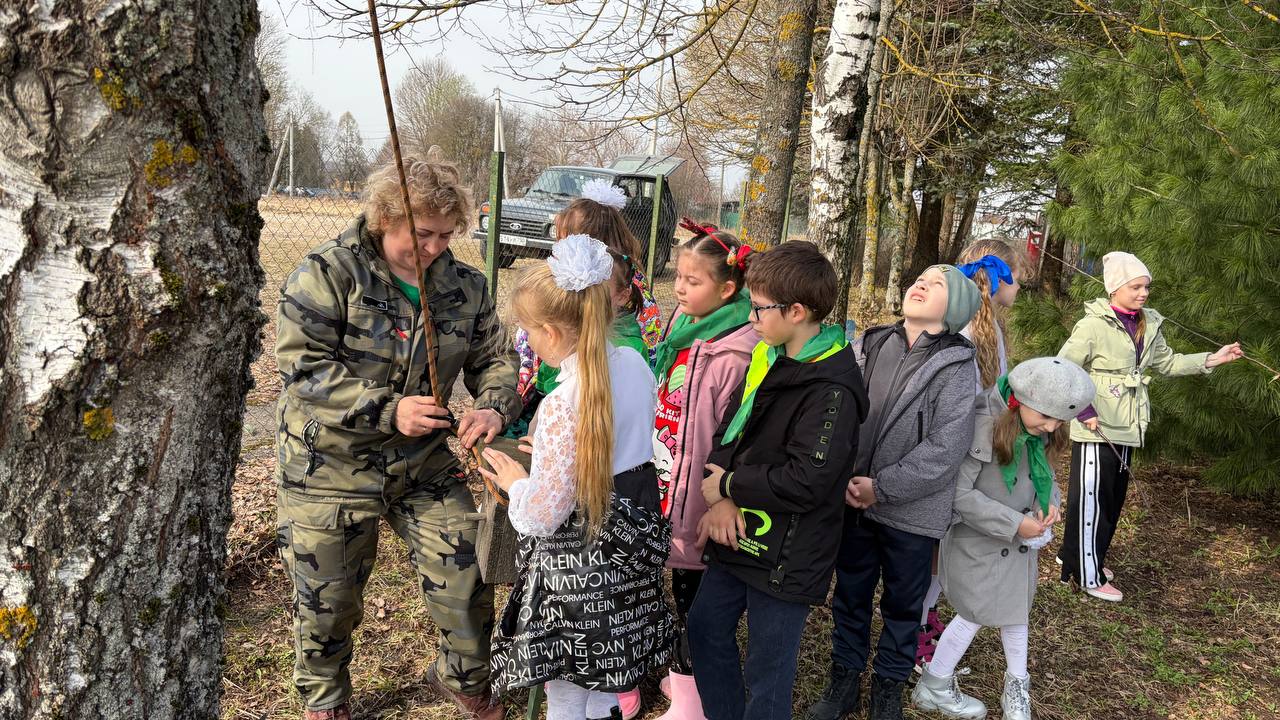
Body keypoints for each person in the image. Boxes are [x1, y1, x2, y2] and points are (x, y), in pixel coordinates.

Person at [274, 155, 519, 720]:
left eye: (445, 235)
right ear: (385, 217)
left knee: (466, 570)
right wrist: (388, 410)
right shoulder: (328, 274)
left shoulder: (465, 287)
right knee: (327, 597)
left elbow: (495, 359)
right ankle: (325, 699)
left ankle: (464, 678)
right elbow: (303, 370)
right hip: (329, 465)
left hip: (422, 463)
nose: (433, 248)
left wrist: (492, 407)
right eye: (421, 233)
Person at [479, 235, 676, 720]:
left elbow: (543, 515)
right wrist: (554, 452)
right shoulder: (634, 365)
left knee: (567, 688)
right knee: (606, 677)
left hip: (580, 568)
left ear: (549, 331)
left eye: (528, 331)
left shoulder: (562, 403)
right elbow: (622, 443)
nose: (527, 340)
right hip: (628, 553)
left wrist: (516, 481)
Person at [686, 241, 869, 720]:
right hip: (737, 531)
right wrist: (721, 500)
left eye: (760, 308)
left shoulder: (832, 390)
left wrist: (729, 487)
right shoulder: (767, 358)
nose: (751, 319)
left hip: (789, 554)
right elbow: (729, 430)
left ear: (797, 312)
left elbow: (808, 479)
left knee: (767, 670)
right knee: (704, 629)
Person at [809, 265, 981, 720]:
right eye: (920, 278)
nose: (921, 284)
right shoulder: (870, 343)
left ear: (957, 308)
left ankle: (888, 686)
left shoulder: (957, 366)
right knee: (850, 595)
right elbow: (838, 409)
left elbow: (946, 447)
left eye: (937, 284)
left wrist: (881, 488)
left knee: (904, 606)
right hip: (854, 503)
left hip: (911, 515)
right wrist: (844, 476)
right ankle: (844, 679)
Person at [911, 357, 1094, 720]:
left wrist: (1049, 504)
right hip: (977, 541)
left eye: (1060, 420)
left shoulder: (1038, 424)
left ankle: (1016, 684)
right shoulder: (981, 423)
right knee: (973, 613)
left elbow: (1046, 477)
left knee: (1016, 611)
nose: (1052, 427)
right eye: (1047, 416)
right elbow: (958, 494)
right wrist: (1014, 523)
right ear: (1021, 400)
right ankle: (933, 685)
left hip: (1018, 542)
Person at [1056, 251, 1243, 602]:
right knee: (1092, 500)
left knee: (1112, 500)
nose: (1143, 293)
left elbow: (1168, 363)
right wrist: (1084, 410)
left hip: (1129, 423)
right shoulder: (1092, 325)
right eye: (1136, 287)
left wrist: (1212, 359)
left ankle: (1080, 556)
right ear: (1114, 288)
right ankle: (1086, 574)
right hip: (1097, 425)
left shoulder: (1148, 324)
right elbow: (1064, 369)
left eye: (1146, 287)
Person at [652, 221, 759, 720]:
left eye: (693, 281)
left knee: (693, 599)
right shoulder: (684, 326)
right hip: (667, 476)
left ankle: (693, 701)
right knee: (675, 589)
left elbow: (732, 436)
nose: (679, 288)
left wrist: (715, 496)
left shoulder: (735, 352)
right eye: (678, 276)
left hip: (700, 493)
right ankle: (680, 680)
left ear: (728, 289)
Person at [912, 240, 1028, 669]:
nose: (1021, 288)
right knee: (939, 549)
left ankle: (924, 618)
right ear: (1000, 278)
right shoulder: (965, 329)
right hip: (955, 452)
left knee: (944, 548)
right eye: (1019, 279)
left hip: (971, 448)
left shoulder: (987, 327)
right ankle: (916, 630)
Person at [508, 179, 661, 445]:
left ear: (587, 242)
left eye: (565, 238)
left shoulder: (600, 283)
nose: (559, 246)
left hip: (581, 400)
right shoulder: (622, 275)